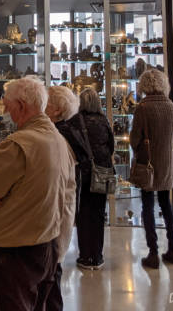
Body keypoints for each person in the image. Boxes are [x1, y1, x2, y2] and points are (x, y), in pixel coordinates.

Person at [0, 78, 76, 311]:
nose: (6, 111)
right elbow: (65, 195)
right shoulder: (59, 141)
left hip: (15, 249)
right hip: (48, 245)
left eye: (8, 106)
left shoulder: (19, 144)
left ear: (22, 105)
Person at [130, 69, 173, 269]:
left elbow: (135, 139)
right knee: (166, 205)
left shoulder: (143, 107)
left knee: (148, 206)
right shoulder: (172, 107)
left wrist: (138, 149)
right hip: (167, 162)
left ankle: (153, 252)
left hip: (148, 163)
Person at [44, 85, 86, 310]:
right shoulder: (66, 131)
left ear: (58, 110)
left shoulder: (59, 135)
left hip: (56, 213)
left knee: (51, 274)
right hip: (59, 213)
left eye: (47, 102)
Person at [74, 88, 114, 270]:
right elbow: (111, 145)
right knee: (98, 215)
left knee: (83, 214)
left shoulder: (77, 121)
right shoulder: (103, 120)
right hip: (102, 172)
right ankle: (97, 256)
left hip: (83, 173)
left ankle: (85, 256)